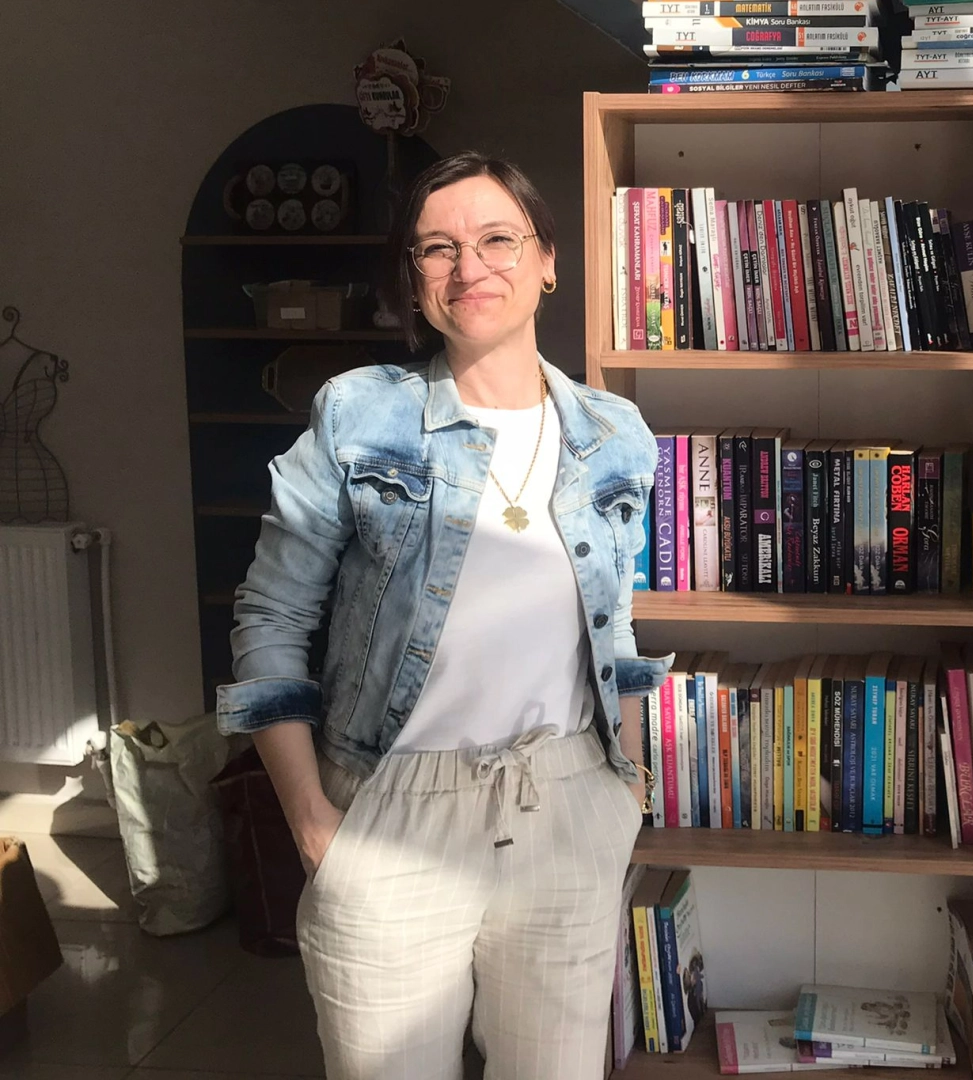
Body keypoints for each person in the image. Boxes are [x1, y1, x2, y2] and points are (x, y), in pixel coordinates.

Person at [216, 150, 670, 1080]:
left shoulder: (614, 432)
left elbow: (613, 624)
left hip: (566, 802)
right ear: (414, 279)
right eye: (437, 248)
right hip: (389, 814)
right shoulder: (358, 416)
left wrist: (625, 784)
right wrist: (312, 820)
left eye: (497, 238)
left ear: (547, 260)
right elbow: (270, 616)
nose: (470, 268)